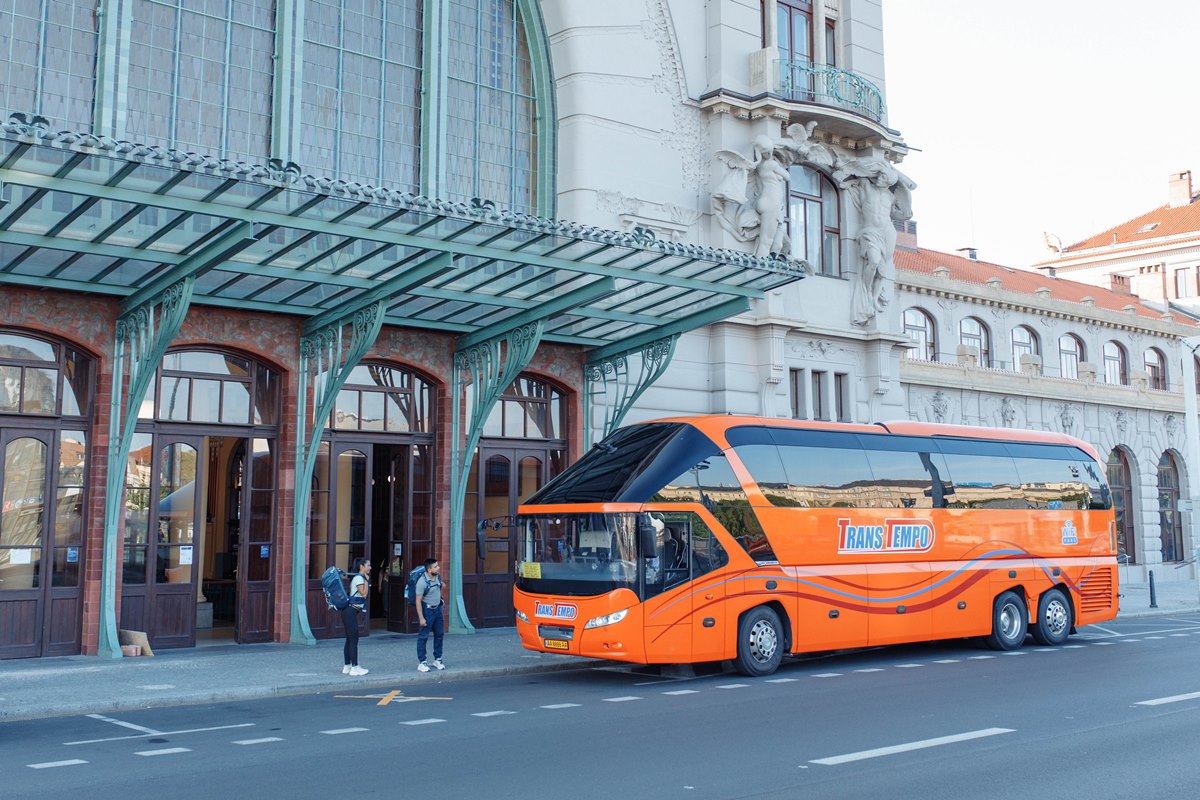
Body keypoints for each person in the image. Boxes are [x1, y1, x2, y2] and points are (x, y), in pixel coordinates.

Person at [415, 558, 445, 672]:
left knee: (439, 634)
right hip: (427, 611)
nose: (438, 568)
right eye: (436, 566)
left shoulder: (437, 576)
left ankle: (438, 659)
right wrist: (421, 618)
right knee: (423, 637)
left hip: (438, 610)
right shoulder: (422, 582)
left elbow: (438, 586)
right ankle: (422, 662)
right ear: (429, 569)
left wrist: (442, 584)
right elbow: (418, 601)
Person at [342, 557, 370, 676]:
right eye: (368, 565)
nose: (370, 567)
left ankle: (347, 666)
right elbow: (363, 594)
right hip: (350, 612)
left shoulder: (360, 578)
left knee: (350, 639)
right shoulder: (359, 578)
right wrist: (367, 582)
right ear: (361, 567)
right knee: (354, 639)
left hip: (349, 612)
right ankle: (355, 667)